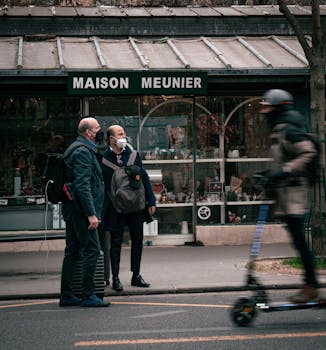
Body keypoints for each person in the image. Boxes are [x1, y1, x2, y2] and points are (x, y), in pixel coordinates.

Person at [260, 89, 319, 303]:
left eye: (268, 108)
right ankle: (309, 284)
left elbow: (308, 152)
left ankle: (310, 285)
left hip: (294, 196)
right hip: (285, 196)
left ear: (279, 108)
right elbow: (283, 159)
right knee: (298, 241)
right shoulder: (280, 129)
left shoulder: (289, 130)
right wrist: (271, 175)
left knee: (300, 242)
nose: (264, 113)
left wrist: (284, 171)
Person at [59, 117, 109, 307]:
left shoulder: (76, 148)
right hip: (81, 212)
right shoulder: (82, 152)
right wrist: (91, 214)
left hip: (73, 210)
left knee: (72, 251)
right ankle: (88, 295)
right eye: (97, 128)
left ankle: (67, 295)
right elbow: (82, 185)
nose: (100, 131)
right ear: (89, 132)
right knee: (92, 250)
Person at [101, 125, 156, 292]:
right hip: (115, 207)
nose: (124, 136)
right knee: (116, 243)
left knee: (137, 241)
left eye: (124, 133)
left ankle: (136, 275)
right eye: (120, 134)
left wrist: (151, 200)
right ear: (111, 139)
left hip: (136, 207)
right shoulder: (104, 158)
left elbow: (144, 176)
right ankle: (115, 278)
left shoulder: (132, 155)